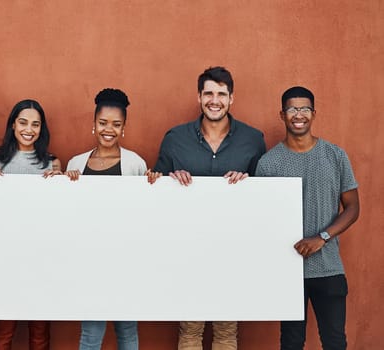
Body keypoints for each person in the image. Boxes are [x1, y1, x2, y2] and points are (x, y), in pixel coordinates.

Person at [150, 67, 266, 350]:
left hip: (233, 249)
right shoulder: (175, 138)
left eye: (222, 94)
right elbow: (156, 188)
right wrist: (168, 179)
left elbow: (264, 197)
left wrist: (249, 182)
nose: (215, 100)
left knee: (227, 332)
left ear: (231, 98)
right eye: (209, 93)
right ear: (199, 97)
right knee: (190, 330)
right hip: (187, 249)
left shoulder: (253, 139)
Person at [256, 86, 360, 350]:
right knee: (291, 343)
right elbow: (261, 218)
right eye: (292, 108)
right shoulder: (268, 163)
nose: (298, 114)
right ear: (282, 114)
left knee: (335, 341)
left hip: (329, 267)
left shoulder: (335, 155)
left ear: (314, 114)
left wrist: (322, 237)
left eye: (304, 108)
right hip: (287, 270)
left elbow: (352, 208)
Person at [65, 88, 147, 350]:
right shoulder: (76, 163)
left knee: (127, 330)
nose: (108, 129)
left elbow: (144, 213)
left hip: (126, 260)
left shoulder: (135, 164)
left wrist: (152, 182)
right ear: (93, 124)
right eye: (102, 123)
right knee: (91, 333)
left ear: (123, 127)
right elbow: (68, 212)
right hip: (90, 261)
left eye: (115, 124)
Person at [0, 99, 60, 350]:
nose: (29, 129)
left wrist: (59, 182)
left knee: (39, 332)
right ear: (13, 125)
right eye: (23, 122)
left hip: (42, 258)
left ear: (42, 129)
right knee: (4, 331)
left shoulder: (53, 162)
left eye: (35, 124)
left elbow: (59, 209)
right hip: (6, 259)